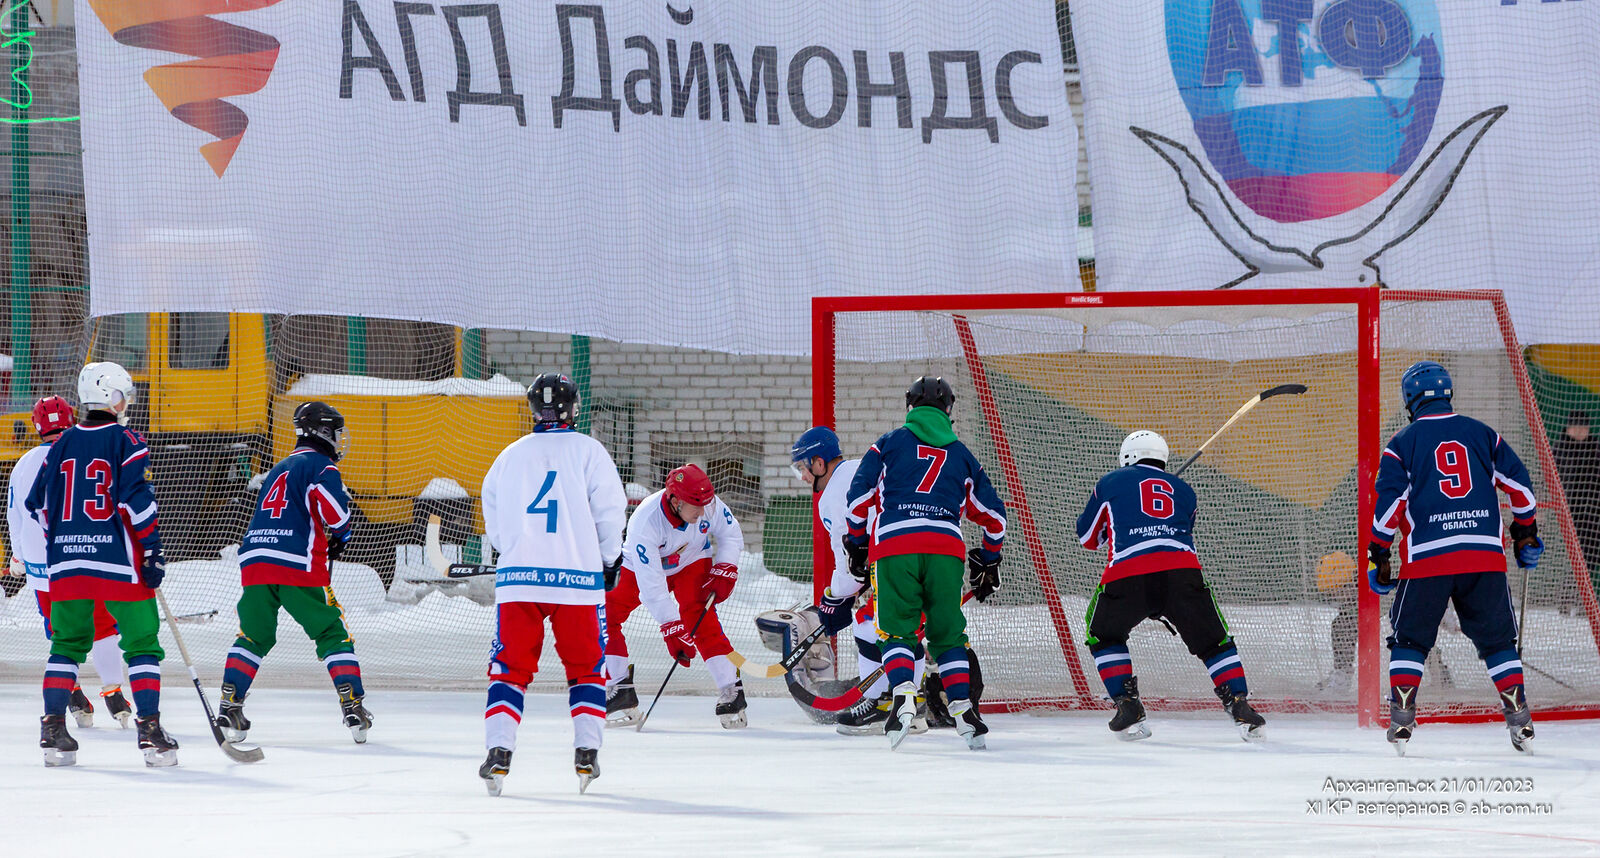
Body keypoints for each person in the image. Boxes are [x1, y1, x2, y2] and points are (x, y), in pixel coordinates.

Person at [1368, 361, 1542, 754]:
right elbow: (1521, 489)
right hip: (1484, 557)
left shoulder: (1401, 443)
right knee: (1498, 642)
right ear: (1448, 393)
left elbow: (1388, 508)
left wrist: (1378, 552)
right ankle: (1519, 717)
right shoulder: (1484, 433)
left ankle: (1402, 718)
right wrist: (1525, 532)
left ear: (1410, 399)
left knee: (1409, 639)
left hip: (1427, 559)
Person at [478, 373, 626, 795]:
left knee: (508, 669)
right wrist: (609, 559)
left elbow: (493, 513)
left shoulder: (510, 454)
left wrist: (510, 549)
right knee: (587, 669)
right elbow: (610, 512)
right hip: (577, 581)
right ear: (573, 408)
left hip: (519, 582)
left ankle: (499, 751)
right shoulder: (589, 451)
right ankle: (587, 752)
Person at [842, 376, 1005, 750]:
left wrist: (857, 543)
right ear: (948, 410)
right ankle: (962, 707)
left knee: (897, 631)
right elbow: (996, 518)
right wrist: (989, 559)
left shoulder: (888, 443)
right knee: (948, 636)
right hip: (946, 549)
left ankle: (902, 696)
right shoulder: (963, 454)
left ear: (910, 406)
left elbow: (858, 499)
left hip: (895, 546)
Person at [26, 362, 177, 767]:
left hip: (67, 565)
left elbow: (37, 505)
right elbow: (137, 502)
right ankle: (150, 732)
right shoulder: (127, 440)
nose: (127, 403)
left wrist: (63, 543)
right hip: (118, 564)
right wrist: (152, 550)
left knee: (66, 645)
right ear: (110, 396)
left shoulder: (60, 444)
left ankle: (53, 730)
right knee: (142, 644)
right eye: (123, 395)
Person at [1076, 430, 1265, 742]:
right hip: (1182, 573)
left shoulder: (1109, 483)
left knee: (1103, 634)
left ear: (1127, 456)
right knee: (1215, 642)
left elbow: (1088, 539)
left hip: (1128, 573)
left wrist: (1117, 526)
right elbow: (1181, 529)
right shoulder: (1185, 490)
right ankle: (1239, 704)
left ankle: (1127, 705)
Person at [217, 401, 370, 745]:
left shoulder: (279, 467)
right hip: (295, 561)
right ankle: (352, 704)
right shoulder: (322, 466)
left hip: (255, 560)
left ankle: (230, 703)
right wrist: (343, 534)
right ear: (324, 432)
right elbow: (336, 514)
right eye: (336, 432)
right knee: (331, 631)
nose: (340, 439)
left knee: (253, 636)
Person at [7, 396, 133, 730]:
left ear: (37, 426)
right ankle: (114, 693)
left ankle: (73, 693)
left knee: (60, 632)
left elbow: (15, 516)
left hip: (41, 564)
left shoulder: (22, 465)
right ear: (72, 418)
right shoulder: (87, 453)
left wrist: (18, 557)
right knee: (103, 624)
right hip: (81, 555)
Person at [604, 463, 747, 728]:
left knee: (699, 617)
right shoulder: (645, 521)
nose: (702, 512)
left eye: (705, 505)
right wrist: (671, 627)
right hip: (641, 567)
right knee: (605, 613)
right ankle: (619, 686)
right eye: (695, 506)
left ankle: (732, 689)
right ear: (675, 500)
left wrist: (726, 566)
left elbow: (730, 532)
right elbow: (652, 586)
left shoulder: (708, 503)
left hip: (691, 558)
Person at [1552, 409, 1600, 602]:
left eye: (1583, 427)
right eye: (1576, 427)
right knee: (1580, 556)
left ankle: (1580, 598)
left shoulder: (1595, 448)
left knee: (1590, 556)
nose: (1580, 431)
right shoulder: (1560, 448)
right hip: (1571, 509)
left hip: (1594, 509)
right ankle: (1569, 597)